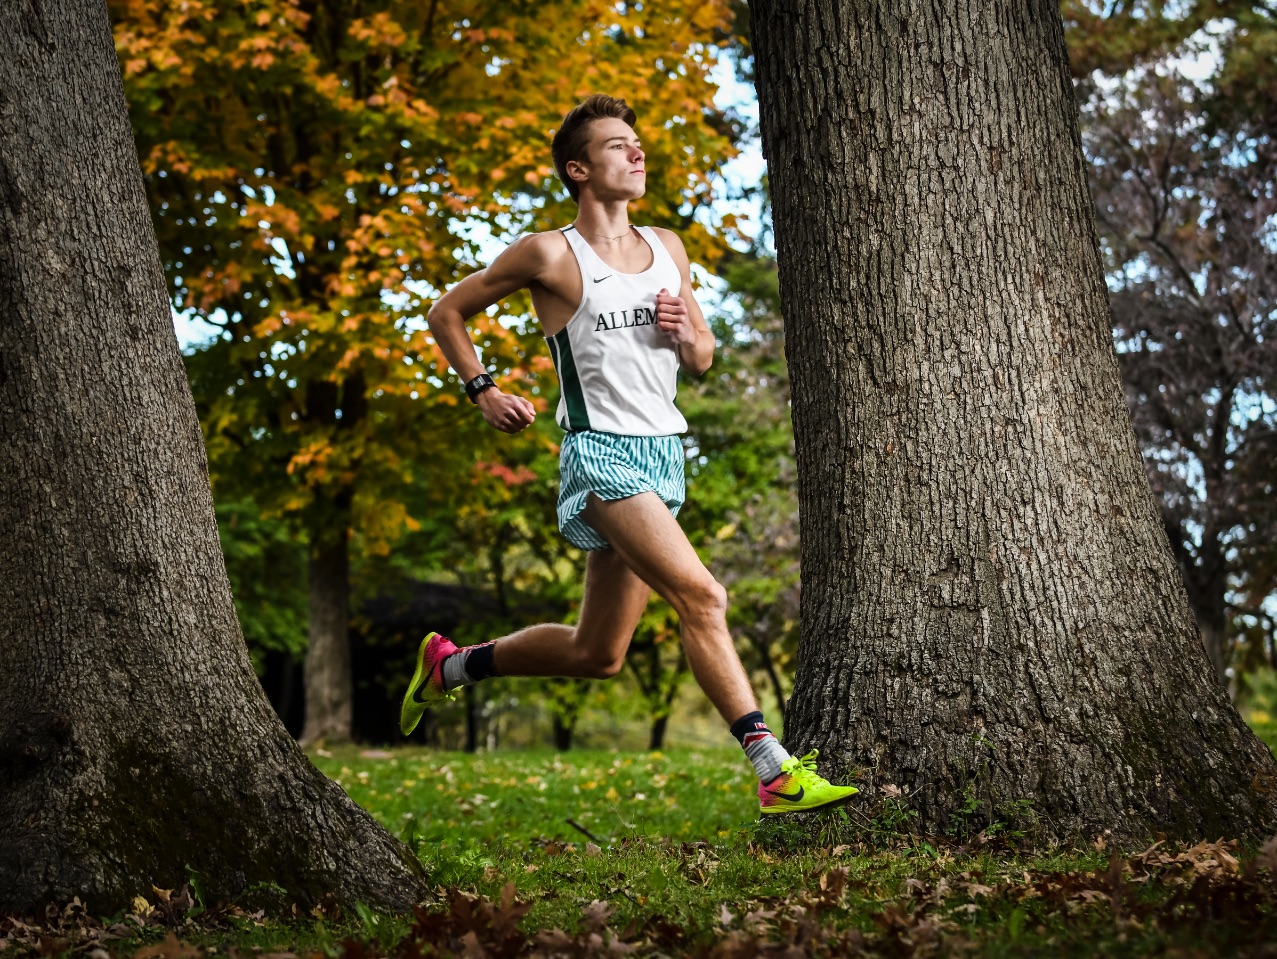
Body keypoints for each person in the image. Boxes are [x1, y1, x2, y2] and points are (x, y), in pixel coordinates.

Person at [402, 93, 857, 815]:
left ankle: (452, 664)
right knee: (702, 595)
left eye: (637, 142)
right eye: (618, 145)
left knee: (598, 654)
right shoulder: (550, 252)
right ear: (578, 169)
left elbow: (703, 356)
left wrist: (685, 332)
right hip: (600, 455)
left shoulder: (667, 246)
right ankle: (772, 767)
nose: (636, 153)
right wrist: (482, 389)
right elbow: (446, 311)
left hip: (664, 455)